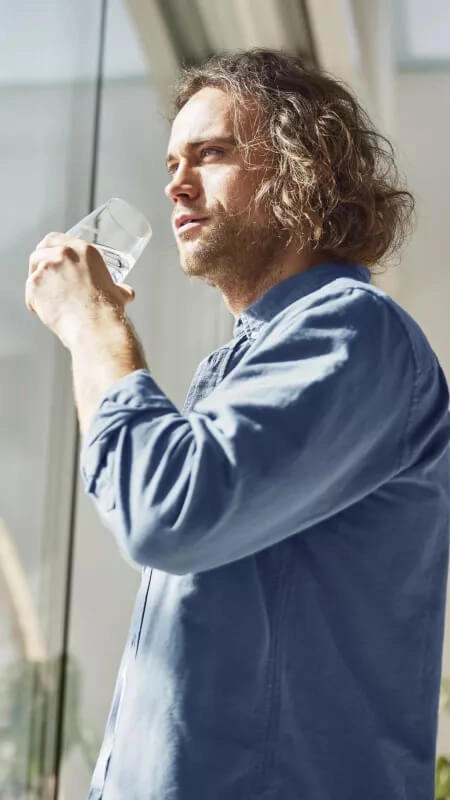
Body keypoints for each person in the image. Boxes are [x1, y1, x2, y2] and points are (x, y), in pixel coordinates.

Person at [26, 49, 450, 800]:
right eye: (170, 162)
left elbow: (165, 510)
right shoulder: (243, 366)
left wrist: (92, 324)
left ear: (302, 166)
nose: (175, 183)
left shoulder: (354, 333)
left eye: (211, 153)